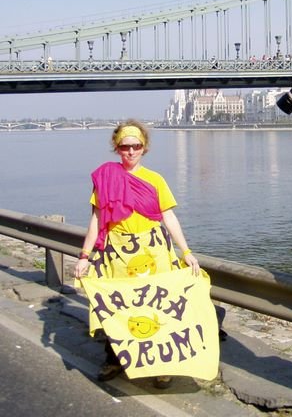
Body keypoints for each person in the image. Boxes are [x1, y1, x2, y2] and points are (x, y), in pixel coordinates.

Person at [74, 119, 200, 385]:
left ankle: (162, 365)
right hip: (117, 254)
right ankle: (115, 359)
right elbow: (97, 221)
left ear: (144, 148)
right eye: (124, 146)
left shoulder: (155, 180)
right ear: (116, 148)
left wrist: (186, 251)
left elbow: (169, 218)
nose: (130, 152)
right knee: (117, 309)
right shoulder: (105, 178)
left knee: (158, 308)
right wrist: (85, 256)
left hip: (154, 253)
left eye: (136, 146)